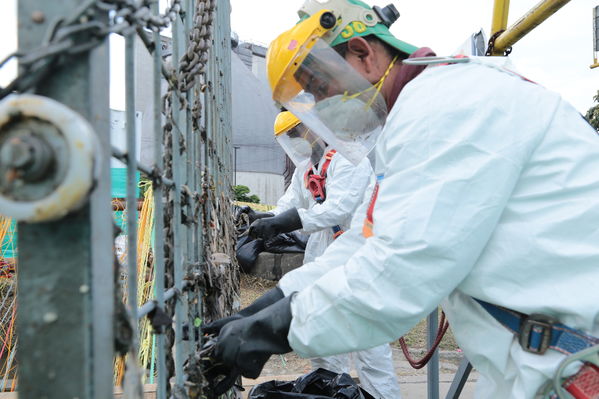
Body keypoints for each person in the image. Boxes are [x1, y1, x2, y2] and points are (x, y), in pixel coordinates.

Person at [206, 1, 599, 398]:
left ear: (362, 53)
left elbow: (401, 267)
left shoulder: (450, 104)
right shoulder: (416, 118)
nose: (323, 109)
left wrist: (272, 330)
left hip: (573, 362)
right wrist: (268, 306)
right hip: (539, 361)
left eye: (322, 90)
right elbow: (363, 242)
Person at [205, 111, 403, 398]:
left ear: (314, 127)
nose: (298, 140)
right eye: (291, 137)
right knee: (322, 337)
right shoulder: (306, 170)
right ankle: (329, 389)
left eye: (299, 131)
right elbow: (289, 204)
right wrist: (263, 216)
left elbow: (339, 208)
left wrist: (286, 222)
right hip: (325, 250)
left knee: (368, 346)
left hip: (354, 247)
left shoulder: (348, 160)